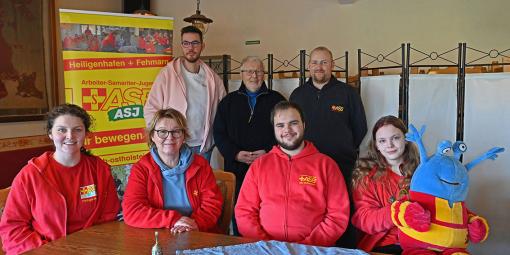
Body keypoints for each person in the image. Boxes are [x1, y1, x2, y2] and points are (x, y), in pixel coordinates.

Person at [0, 104, 120, 254]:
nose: (70, 136)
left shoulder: (100, 170)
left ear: (86, 134)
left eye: (77, 129)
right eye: (62, 130)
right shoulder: (30, 174)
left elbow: (108, 218)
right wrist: (49, 250)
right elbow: (13, 229)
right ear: (50, 133)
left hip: (91, 249)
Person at [235, 101, 350, 246]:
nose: (287, 130)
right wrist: (267, 246)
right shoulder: (259, 166)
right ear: (274, 129)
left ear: (304, 125)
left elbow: (337, 217)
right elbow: (244, 212)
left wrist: (306, 248)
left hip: (313, 250)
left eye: (293, 123)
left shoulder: (327, 166)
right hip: (265, 249)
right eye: (280, 125)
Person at [289, 46, 367, 247]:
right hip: (306, 166)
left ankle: (346, 249)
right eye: (315, 62)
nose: (319, 67)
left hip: (342, 164)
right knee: (309, 209)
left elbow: (360, 128)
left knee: (343, 210)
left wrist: (344, 147)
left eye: (324, 62)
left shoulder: (348, 93)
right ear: (308, 66)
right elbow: (291, 130)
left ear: (332, 65)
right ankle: (311, 247)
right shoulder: (297, 95)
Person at [213, 56, 285, 235]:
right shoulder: (227, 103)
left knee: (270, 212)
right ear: (241, 74)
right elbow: (219, 134)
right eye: (249, 71)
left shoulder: (278, 101)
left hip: (270, 169)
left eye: (259, 71)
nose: (254, 75)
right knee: (240, 214)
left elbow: (286, 134)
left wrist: (268, 153)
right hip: (236, 169)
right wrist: (236, 154)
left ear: (264, 74)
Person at [123, 108, 223, 233]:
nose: (170, 137)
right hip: (158, 234)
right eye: (162, 132)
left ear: (184, 137)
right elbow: (132, 211)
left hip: (197, 232)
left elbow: (212, 205)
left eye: (176, 131)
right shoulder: (142, 168)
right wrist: (174, 220)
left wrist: (192, 224)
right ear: (152, 136)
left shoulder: (200, 165)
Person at [144, 26, 226, 161]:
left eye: (195, 43)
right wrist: (162, 139)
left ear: (202, 46)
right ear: (181, 45)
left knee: (200, 182)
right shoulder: (167, 74)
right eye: (186, 43)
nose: (190, 48)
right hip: (174, 146)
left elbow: (223, 113)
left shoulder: (213, 79)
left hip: (203, 147)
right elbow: (150, 109)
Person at [351, 115, 419, 254]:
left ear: (405, 139)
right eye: (382, 141)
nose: (390, 145)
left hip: (420, 244)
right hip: (383, 246)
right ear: (376, 145)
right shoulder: (366, 175)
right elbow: (364, 219)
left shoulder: (423, 171)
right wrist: (397, 212)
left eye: (395, 138)